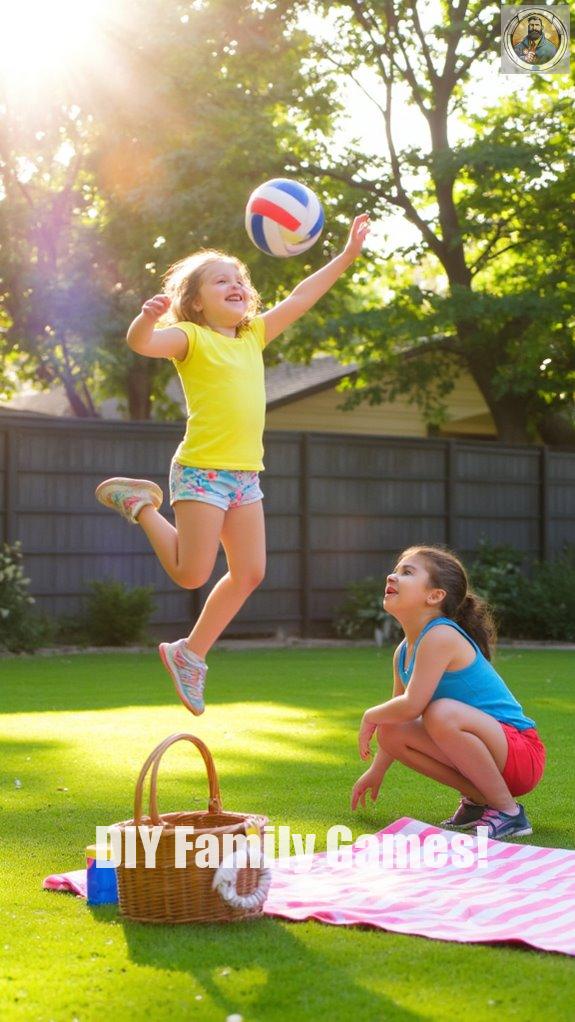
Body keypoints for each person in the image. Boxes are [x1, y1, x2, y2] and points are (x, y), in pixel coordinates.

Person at [96, 213, 370, 715]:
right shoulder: (188, 337)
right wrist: (147, 318)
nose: (236, 284)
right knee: (190, 574)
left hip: (246, 476)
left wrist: (346, 256)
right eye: (221, 280)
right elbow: (142, 343)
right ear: (197, 300)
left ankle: (190, 653)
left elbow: (302, 297)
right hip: (202, 469)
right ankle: (140, 505)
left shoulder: (253, 335)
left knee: (250, 573)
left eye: (240, 278)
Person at [351, 545, 546, 840]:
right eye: (396, 569)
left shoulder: (441, 635)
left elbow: (412, 705)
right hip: (494, 753)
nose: (392, 576)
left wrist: (369, 715)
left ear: (435, 595)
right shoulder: (403, 651)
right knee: (391, 731)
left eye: (407, 572)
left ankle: (509, 813)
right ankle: (478, 801)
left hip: (521, 753)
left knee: (440, 712)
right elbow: (398, 713)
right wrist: (376, 770)